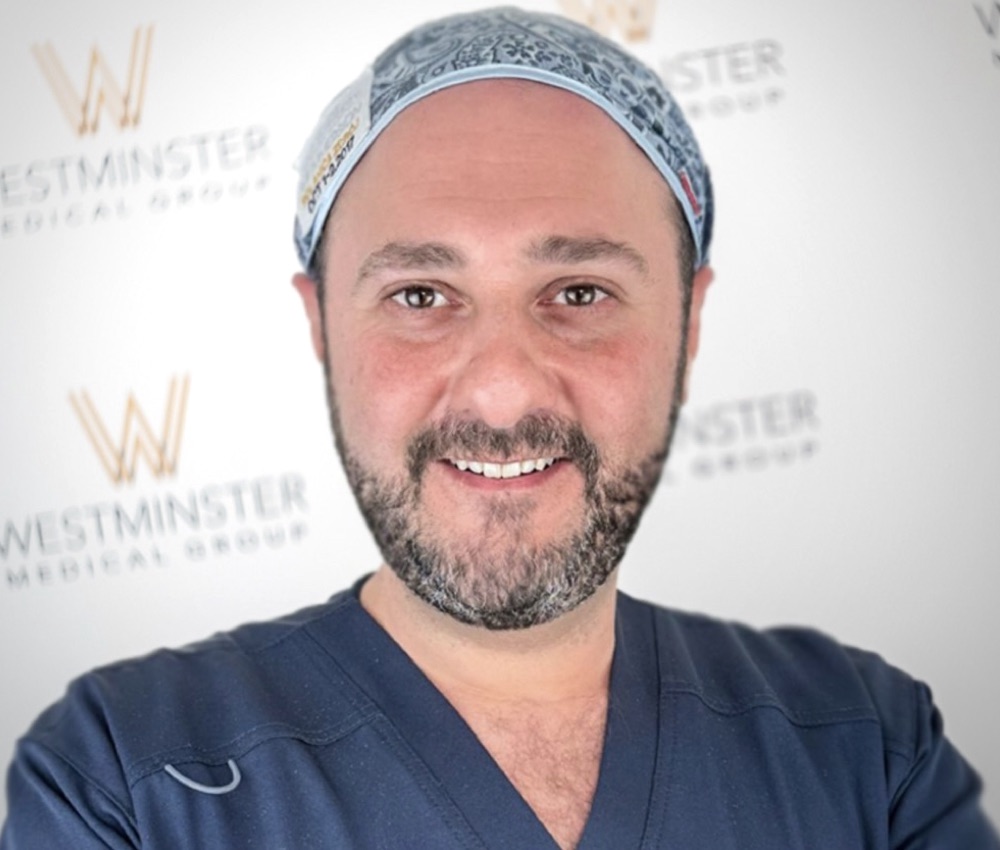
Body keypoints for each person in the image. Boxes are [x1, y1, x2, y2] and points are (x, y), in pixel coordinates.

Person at [1, 7, 997, 849]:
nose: (502, 392)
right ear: (318, 324)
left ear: (689, 323)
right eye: (422, 293)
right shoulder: (123, 779)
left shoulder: (865, 748)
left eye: (577, 290)